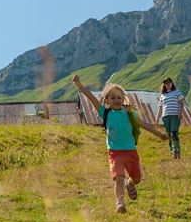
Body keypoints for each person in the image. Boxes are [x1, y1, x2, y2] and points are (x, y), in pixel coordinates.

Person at [72, 74, 168, 213]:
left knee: (136, 178)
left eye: (119, 97)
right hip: (115, 152)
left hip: (130, 150)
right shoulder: (105, 113)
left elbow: (144, 124)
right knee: (118, 177)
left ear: (123, 99)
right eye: (112, 97)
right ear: (107, 100)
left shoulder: (130, 114)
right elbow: (91, 98)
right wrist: (79, 85)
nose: (116, 100)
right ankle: (120, 203)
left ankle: (129, 184)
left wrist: (160, 134)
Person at [155, 77, 184, 159]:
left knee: (174, 133)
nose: (168, 84)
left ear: (172, 83)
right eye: (166, 83)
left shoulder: (177, 92)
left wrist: (180, 113)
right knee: (169, 134)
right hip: (165, 116)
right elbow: (160, 107)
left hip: (175, 115)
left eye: (169, 82)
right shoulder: (162, 95)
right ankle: (172, 151)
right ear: (164, 84)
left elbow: (181, 103)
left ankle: (176, 150)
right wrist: (157, 118)